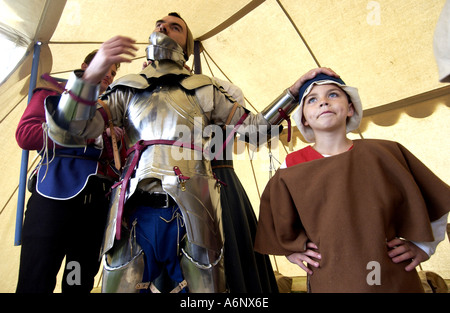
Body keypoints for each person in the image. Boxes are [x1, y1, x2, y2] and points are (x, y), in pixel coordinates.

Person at [43, 13, 330, 293]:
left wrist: (293, 92)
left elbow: (254, 130)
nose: (164, 28)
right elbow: (69, 131)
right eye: (160, 24)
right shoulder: (126, 87)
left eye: (175, 27)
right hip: (133, 210)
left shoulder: (205, 89)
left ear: (187, 47)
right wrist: (91, 74)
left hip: (197, 209)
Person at [254, 71, 450, 292]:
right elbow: (275, 218)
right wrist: (290, 250)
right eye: (312, 99)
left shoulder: (385, 153)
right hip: (331, 279)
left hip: (391, 278)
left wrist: (424, 246)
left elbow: (436, 200)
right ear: (304, 118)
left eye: (333, 95)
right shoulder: (291, 167)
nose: (324, 102)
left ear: (350, 108)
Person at [15, 52, 122, 293]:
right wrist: (88, 136)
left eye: (114, 73)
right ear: (84, 66)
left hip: (95, 207)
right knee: (36, 280)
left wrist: (117, 140)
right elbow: (26, 134)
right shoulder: (52, 92)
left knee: (77, 284)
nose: (109, 75)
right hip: (52, 197)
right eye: (104, 67)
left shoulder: (113, 106)